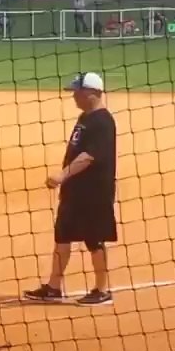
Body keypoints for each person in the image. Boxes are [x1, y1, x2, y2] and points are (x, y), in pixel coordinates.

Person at [24, 72, 117, 306]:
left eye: (78, 92)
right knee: (62, 236)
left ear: (92, 93)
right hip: (75, 191)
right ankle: (53, 287)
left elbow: (89, 156)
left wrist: (62, 175)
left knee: (94, 239)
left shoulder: (103, 122)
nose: (74, 96)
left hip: (94, 192)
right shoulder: (84, 118)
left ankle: (101, 290)